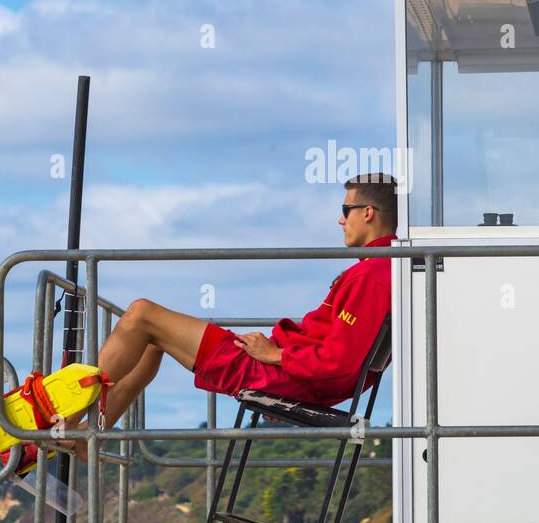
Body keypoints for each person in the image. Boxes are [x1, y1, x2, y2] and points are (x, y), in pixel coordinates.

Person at [57, 175, 398, 458]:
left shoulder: (370, 276)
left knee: (140, 315)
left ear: (368, 213)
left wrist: (276, 356)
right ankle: (90, 434)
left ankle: (65, 421)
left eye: (345, 210)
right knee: (150, 340)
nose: (340, 219)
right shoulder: (382, 269)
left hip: (276, 372)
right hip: (286, 372)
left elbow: (339, 363)